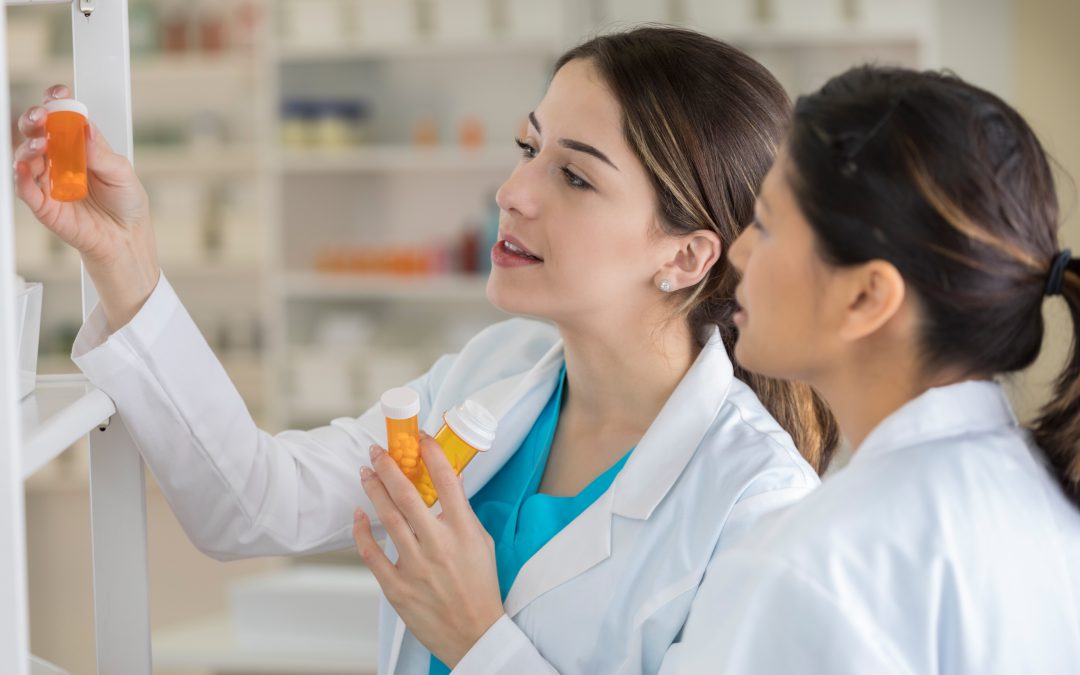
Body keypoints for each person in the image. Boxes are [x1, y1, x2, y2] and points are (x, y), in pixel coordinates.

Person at [14, 28, 835, 675]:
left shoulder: (757, 504)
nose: (512, 193)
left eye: (576, 178)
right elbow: (255, 500)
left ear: (686, 255)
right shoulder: (494, 372)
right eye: (529, 149)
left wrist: (476, 638)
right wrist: (123, 258)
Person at [659, 65, 1080, 673]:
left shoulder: (809, 569)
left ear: (865, 297)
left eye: (767, 225)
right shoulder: (1046, 505)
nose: (740, 250)